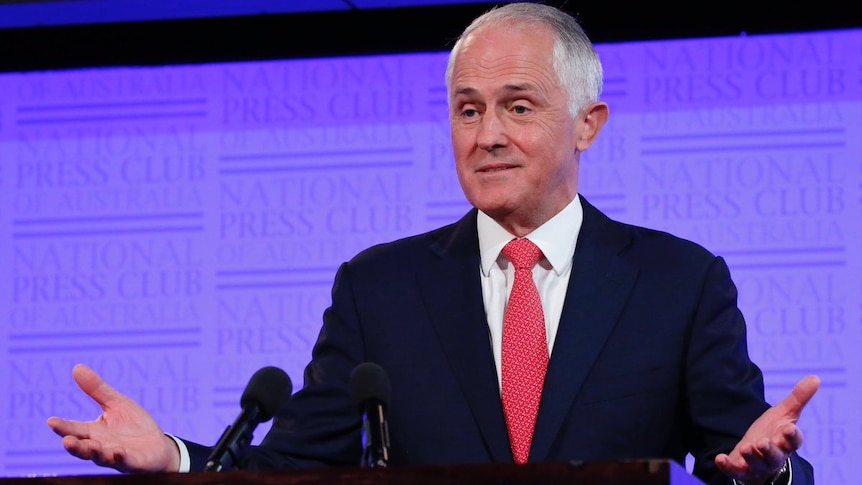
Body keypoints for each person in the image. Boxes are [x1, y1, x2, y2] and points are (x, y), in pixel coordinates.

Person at [47, 3, 820, 485]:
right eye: (467, 109)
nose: (487, 136)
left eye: (518, 106)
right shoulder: (379, 288)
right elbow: (289, 468)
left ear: (589, 124)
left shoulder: (677, 281)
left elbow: (743, 452)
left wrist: (770, 472)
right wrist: (176, 459)